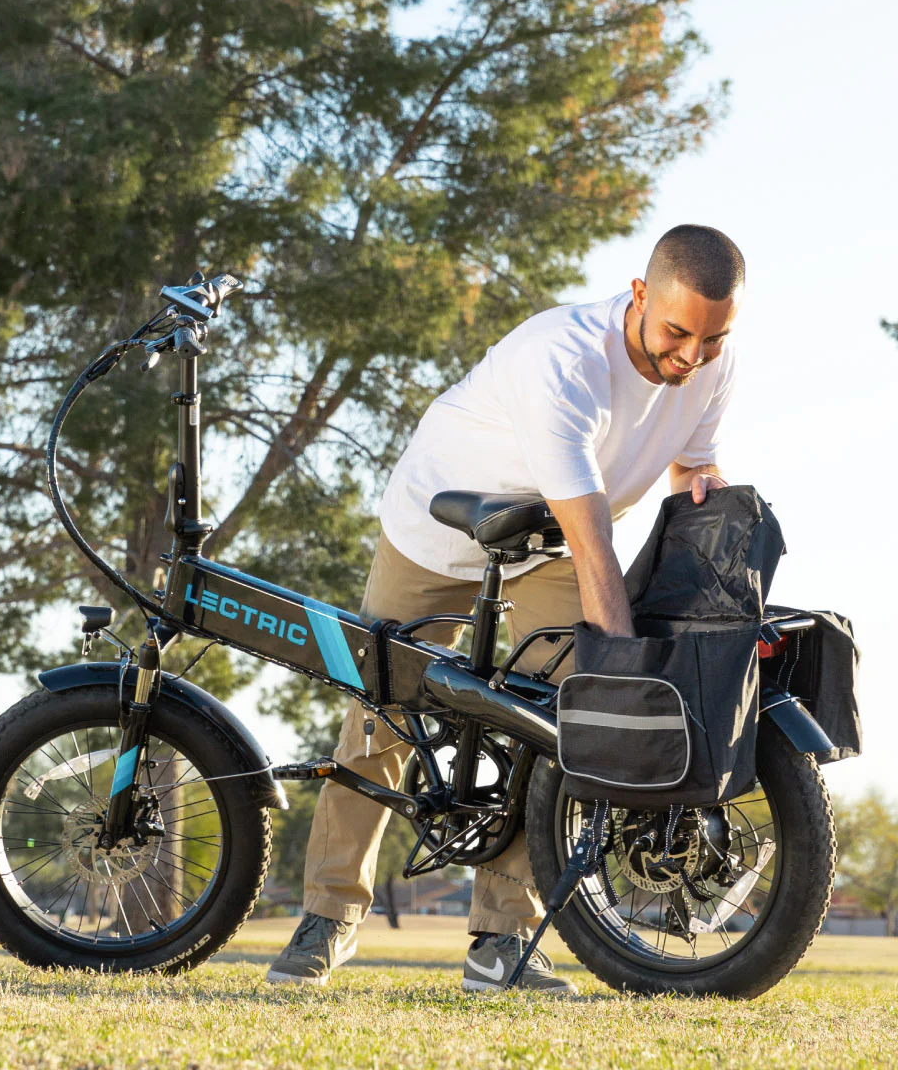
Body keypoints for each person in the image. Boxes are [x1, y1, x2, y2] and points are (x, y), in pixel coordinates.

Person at [267, 224, 744, 994]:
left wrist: (706, 482)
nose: (691, 356)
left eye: (712, 340)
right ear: (637, 296)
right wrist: (623, 669)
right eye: (676, 332)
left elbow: (692, 460)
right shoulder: (562, 360)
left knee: (562, 721)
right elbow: (597, 551)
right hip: (437, 527)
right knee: (382, 711)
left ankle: (503, 939)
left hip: (549, 541)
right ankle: (327, 914)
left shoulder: (710, 366)